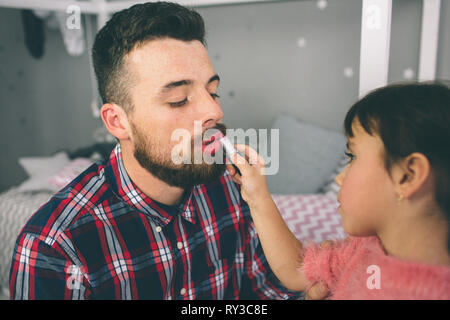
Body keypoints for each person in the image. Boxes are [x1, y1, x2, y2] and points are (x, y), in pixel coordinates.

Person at [9, 1, 324, 300]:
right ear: (118, 122)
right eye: (179, 99)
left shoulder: (231, 187)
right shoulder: (55, 247)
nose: (214, 110)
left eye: (213, 91)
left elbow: (262, 291)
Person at [227, 82, 450, 299]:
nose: (340, 177)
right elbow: (297, 270)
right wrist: (258, 195)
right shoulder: (365, 248)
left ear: (408, 176)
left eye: (352, 157)